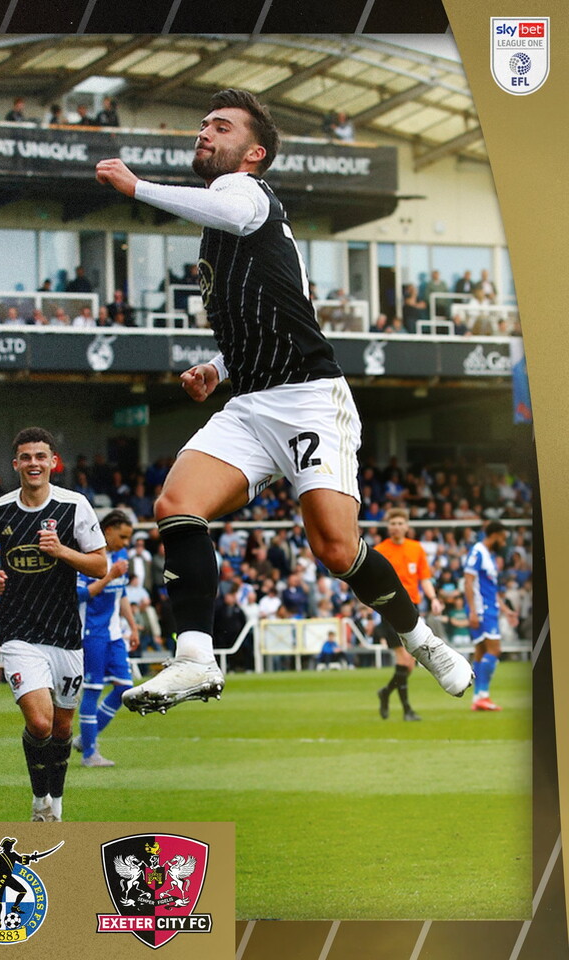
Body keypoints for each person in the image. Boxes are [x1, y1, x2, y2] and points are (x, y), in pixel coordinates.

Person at [95, 88, 472, 715]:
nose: (204, 133)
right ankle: (195, 659)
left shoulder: (243, 195)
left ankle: (419, 636)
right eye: (203, 124)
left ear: (254, 153)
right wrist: (218, 368)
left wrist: (139, 188)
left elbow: (237, 216)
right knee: (176, 503)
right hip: (250, 400)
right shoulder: (228, 228)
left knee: (331, 546)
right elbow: (278, 306)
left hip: (307, 398)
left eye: (221, 126)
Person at [0, 427, 106, 822]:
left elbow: (100, 564)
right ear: (15, 465)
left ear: (52, 462)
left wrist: (61, 550)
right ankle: (38, 801)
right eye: (25, 457)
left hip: (65, 632)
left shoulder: (74, 506)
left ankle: (56, 806)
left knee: (63, 728)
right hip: (18, 630)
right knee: (40, 721)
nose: (33, 463)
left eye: (40, 456)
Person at [74, 510, 139, 767]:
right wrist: (109, 576)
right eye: (122, 536)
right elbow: (80, 595)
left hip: (113, 634)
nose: (125, 543)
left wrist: (132, 626)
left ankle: (86, 739)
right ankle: (90, 754)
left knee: (124, 688)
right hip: (91, 633)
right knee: (92, 691)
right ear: (107, 530)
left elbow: (120, 593)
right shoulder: (88, 558)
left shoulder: (121, 556)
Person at [373, 509, 443, 721]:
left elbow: (425, 579)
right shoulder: (379, 550)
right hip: (389, 607)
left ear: (406, 526)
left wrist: (433, 598)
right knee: (404, 659)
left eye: (400, 522)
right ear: (388, 526)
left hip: (412, 607)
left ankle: (385, 693)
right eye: (392, 522)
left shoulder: (416, 548)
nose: (396, 526)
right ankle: (407, 711)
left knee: (409, 663)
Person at [465, 521, 515, 711]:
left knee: (480, 651)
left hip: (489, 607)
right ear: (494, 535)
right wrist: (472, 611)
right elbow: (468, 582)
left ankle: (478, 698)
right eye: (502, 538)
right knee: (494, 650)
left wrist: (506, 610)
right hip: (482, 610)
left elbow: (491, 589)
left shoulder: (489, 556)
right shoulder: (478, 552)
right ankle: (483, 695)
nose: (503, 542)